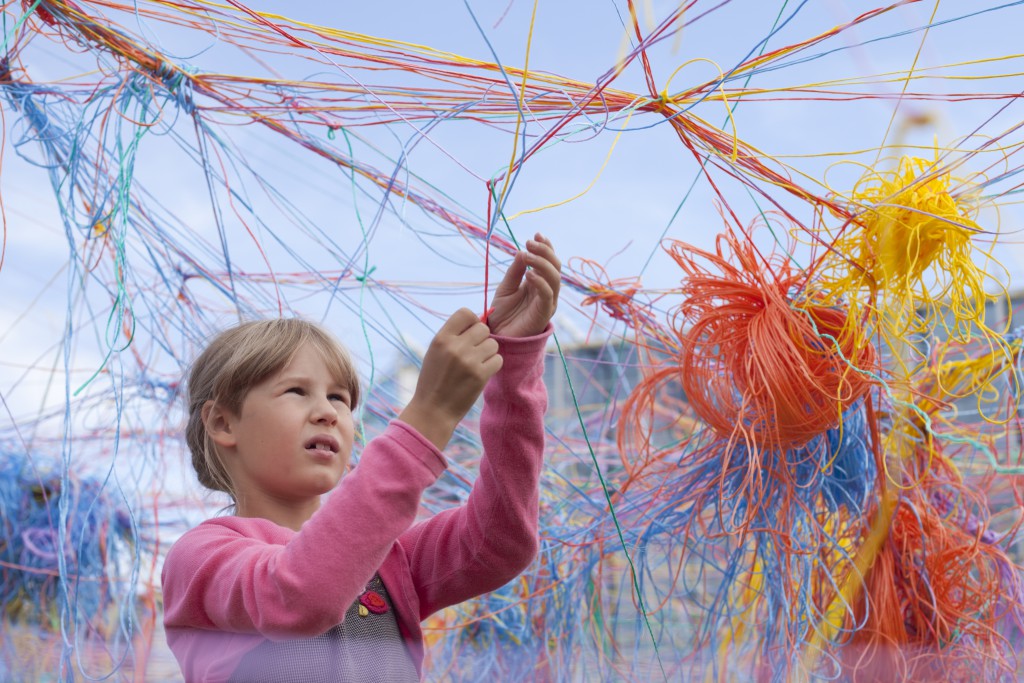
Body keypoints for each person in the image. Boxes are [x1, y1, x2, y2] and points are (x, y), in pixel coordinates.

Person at [161, 235, 561, 683]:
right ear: (222, 423)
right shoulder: (199, 558)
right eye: (296, 391)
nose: (328, 412)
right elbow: (300, 594)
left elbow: (501, 542)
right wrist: (427, 417)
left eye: (340, 398)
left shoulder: (393, 559)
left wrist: (515, 366)